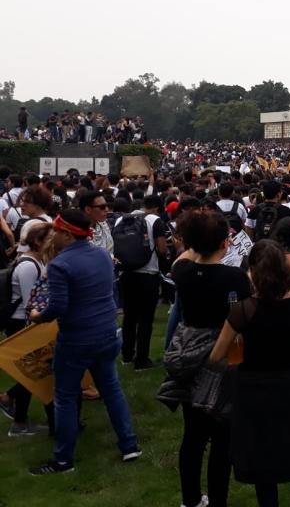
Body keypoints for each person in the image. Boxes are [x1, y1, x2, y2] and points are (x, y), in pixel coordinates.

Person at [209, 240, 290, 507]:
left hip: (253, 391)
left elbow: (216, 356)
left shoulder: (243, 310)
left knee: (263, 466)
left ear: (253, 272)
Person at [29, 209, 140, 475]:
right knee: (112, 390)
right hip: (107, 332)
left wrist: (37, 316)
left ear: (67, 234)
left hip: (77, 338)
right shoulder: (102, 254)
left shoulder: (59, 265)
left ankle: (63, 459)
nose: (52, 234)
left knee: (65, 397)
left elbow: (58, 306)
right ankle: (129, 445)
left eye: (56, 230)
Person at [165, 210, 251, 507]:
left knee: (193, 435)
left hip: (188, 350)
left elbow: (185, 256)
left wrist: (195, 238)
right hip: (222, 354)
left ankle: (190, 499)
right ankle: (218, 500)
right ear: (224, 241)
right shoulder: (235, 277)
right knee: (222, 437)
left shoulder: (182, 271)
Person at [2, 221, 54, 437]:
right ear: (38, 241)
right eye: (49, 238)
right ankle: (16, 416)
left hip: (27, 321)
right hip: (21, 323)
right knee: (31, 373)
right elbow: (29, 302)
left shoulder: (36, 262)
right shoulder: (27, 266)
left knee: (32, 373)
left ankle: (17, 415)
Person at [115, 194, 169, 369]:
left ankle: (127, 354)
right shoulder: (155, 221)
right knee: (146, 318)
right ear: (156, 208)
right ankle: (142, 359)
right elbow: (162, 249)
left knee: (129, 316)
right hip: (148, 273)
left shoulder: (120, 221)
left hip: (127, 273)